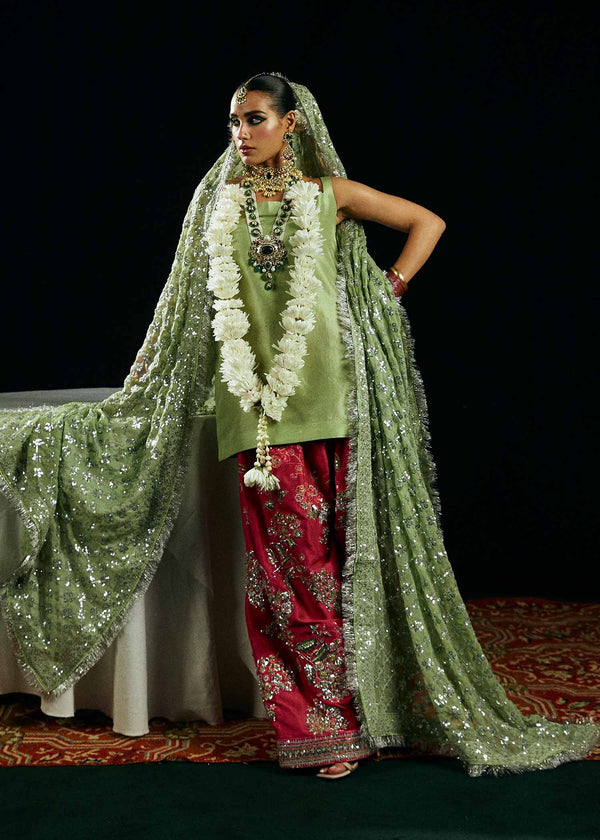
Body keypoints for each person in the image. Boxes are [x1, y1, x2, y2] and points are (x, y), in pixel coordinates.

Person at [0, 73, 598, 781]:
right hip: (258, 412)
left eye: (255, 119)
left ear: (293, 124)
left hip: (338, 398)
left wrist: (389, 289)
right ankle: (324, 731)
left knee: (350, 564)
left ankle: (372, 713)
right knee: (290, 576)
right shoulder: (216, 204)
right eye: (233, 122)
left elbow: (427, 223)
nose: (241, 134)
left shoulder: (327, 196)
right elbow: (184, 308)